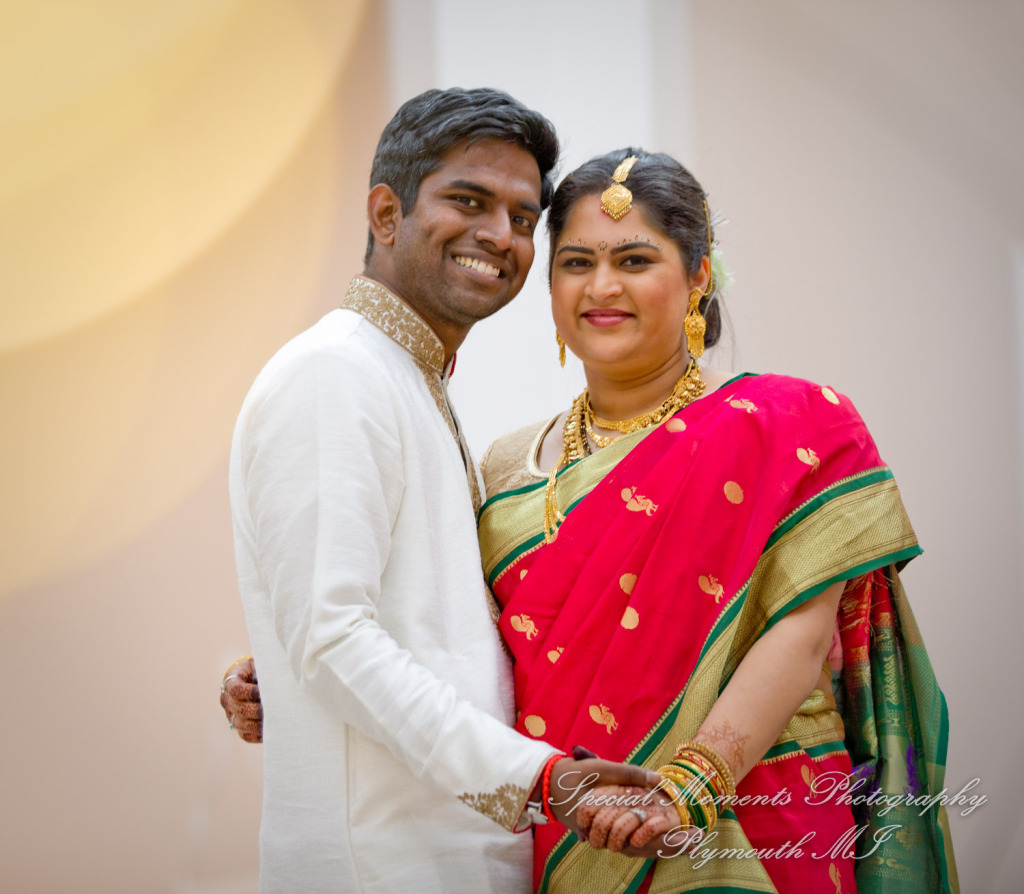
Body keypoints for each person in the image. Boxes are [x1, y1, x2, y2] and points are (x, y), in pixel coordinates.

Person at [226, 145, 960, 893]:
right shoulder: (509, 468)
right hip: (576, 825)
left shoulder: (786, 422)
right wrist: (288, 669)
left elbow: (799, 640)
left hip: (749, 814)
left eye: (635, 260)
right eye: (576, 263)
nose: (602, 287)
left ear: (698, 276)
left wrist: (687, 788)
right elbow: (470, 634)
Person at [226, 89, 659, 894]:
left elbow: (385, 624)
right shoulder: (334, 375)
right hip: (380, 867)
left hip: (447, 857)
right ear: (386, 214)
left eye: (523, 217)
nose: (499, 235)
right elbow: (332, 640)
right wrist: (539, 778)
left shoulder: (408, 379)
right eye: (468, 200)